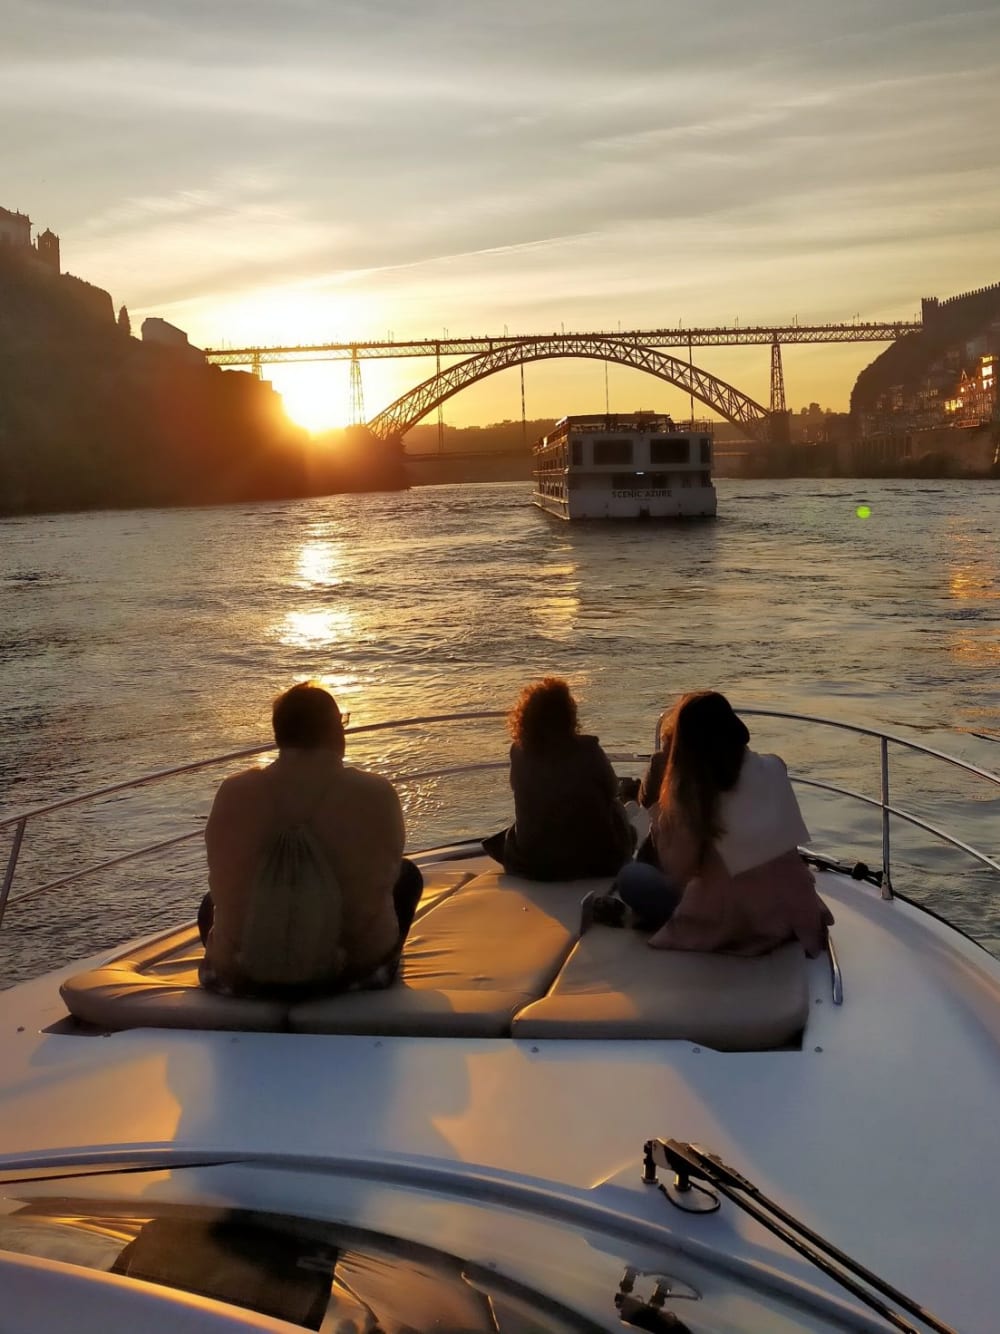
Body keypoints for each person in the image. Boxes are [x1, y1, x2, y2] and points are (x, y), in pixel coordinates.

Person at [199, 681, 422, 996]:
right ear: (335, 731)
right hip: (349, 975)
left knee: (211, 902)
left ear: (280, 734)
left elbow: (219, 870)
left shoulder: (233, 791)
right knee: (407, 875)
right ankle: (365, 959)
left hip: (241, 975)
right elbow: (386, 871)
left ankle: (236, 961)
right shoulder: (376, 792)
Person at [611, 690, 833, 956]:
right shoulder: (775, 766)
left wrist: (661, 820)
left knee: (631, 877)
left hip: (730, 919)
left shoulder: (691, 793)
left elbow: (677, 870)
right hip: (790, 907)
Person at [483, 677, 633, 881]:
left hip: (534, 860)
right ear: (568, 715)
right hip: (593, 858)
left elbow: (517, 787)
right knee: (616, 809)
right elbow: (612, 788)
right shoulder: (588, 749)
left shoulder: (518, 752)